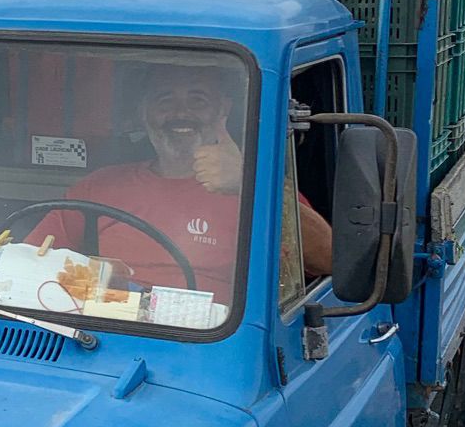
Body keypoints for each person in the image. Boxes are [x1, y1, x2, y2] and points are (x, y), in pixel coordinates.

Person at [31, 62, 334, 297]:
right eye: (165, 101)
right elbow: (35, 257)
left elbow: (328, 262)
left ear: (223, 110)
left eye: (197, 100)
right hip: (109, 334)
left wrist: (247, 184)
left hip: (214, 346)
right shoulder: (100, 186)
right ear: (143, 112)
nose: (180, 113)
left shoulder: (258, 185)